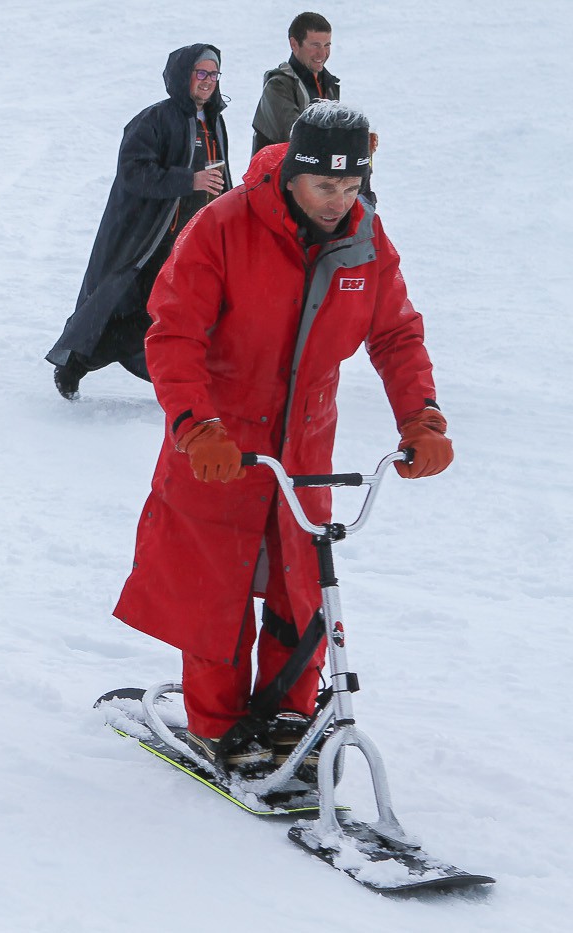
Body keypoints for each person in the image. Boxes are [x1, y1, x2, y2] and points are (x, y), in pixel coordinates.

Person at [112, 101, 453, 771]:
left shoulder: (364, 239)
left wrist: (422, 418)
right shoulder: (224, 226)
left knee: (304, 584)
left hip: (304, 448)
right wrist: (194, 425)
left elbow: (395, 332)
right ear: (294, 173)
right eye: (326, 186)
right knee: (216, 590)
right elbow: (174, 333)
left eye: (352, 187)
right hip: (218, 445)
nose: (339, 201)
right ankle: (216, 724)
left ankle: (289, 713)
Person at [47, 44, 232, 399]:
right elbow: (133, 172)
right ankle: (76, 363)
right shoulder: (154, 119)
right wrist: (188, 179)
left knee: (175, 312)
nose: (208, 81)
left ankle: (94, 363)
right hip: (149, 239)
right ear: (183, 76)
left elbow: (222, 177)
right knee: (139, 309)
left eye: (213, 74)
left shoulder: (214, 122)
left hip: (192, 241)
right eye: (201, 73)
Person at [251, 12, 340, 155]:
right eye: (315, 45)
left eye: (327, 45)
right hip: (281, 176)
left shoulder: (329, 85)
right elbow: (297, 137)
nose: (322, 54)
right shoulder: (278, 85)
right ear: (294, 44)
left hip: (316, 175)